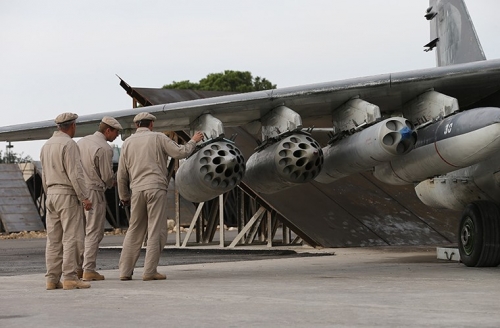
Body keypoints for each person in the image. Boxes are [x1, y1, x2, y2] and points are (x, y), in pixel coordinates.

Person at [117, 112, 203, 281]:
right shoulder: (158, 137)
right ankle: (149, 271)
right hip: (155, 187)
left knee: (134, 230)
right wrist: (194, 140)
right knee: (156, 229)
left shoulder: (127, 143)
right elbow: (181, 152)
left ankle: (125, 272)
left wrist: (124, 195)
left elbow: (121, 174)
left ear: (136, 125)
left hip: (137, 190)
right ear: (151, 125)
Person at [40, 112, 93, 290]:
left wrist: (49, 193)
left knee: (54, 239)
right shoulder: (69, 144)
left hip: (51, 194)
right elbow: (75, 174)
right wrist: (84, 196)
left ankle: (52, 279)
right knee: (72, 237)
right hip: (66, 194)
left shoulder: (46, 145)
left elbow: (44, 175)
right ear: (73, 126)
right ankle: (70, 277)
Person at [77, 116, 123, 281]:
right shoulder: (104, 148)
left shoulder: (81, 142)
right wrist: (117, 180)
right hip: (94, 192)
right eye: (116, 132)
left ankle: (78, 267)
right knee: (94, 232)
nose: (117, 136)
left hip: (79, 191)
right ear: (108, 130)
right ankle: (88, 269)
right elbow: (106, 177)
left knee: (80, 232)